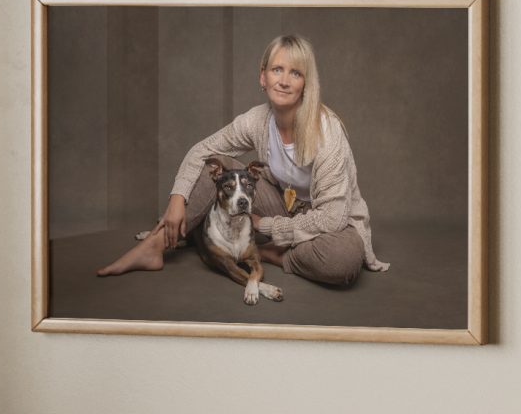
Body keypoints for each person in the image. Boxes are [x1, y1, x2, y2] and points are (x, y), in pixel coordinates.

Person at [96, 34, 388, 287]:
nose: (284, 81)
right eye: (277, 70)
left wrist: (265, 227)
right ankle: (155, 246)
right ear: (263, 77)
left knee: (342, 260)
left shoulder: (327, 131)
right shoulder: (257, 120)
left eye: (295, 73)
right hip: (284, 208)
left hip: (330, 223)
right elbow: (202, 151)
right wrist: (176, 198)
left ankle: (273, 253)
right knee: (217, 162)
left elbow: (333, 218)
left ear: (306, 84)